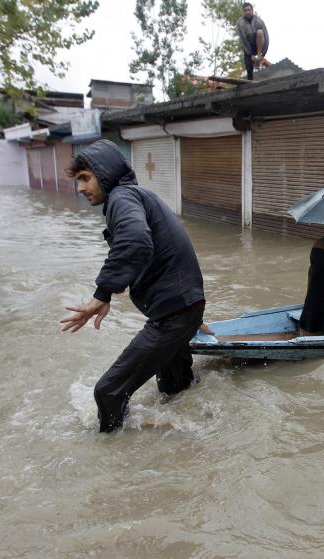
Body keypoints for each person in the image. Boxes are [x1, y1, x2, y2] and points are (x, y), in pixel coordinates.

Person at [60, 140, 206, 433]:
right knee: (175, 390)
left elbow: (137, 241)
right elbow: (167, 253)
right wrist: (191, 309)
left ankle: (112, 462)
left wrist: (102, 294)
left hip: (174, 314)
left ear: (106, 173)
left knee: (107, 392)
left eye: (85, 178)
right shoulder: (137, 196)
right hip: (183, 308)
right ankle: (192, 448)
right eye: (78, 180)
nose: (80, 188)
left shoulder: (121, 198)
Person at [237, 2, 269, 80]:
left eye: (249, 10)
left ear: (252, 10)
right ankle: (250, 82)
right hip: (248, 46)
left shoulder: (259, 21)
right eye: (245, 10)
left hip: (258, 43)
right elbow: (243, 39)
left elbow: (266, 36)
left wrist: (263, 54)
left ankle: (258, 57)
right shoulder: (240, 23)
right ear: (243, 12)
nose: (247, 12)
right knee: (249, 69)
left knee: (260, 32)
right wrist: (250, 54)